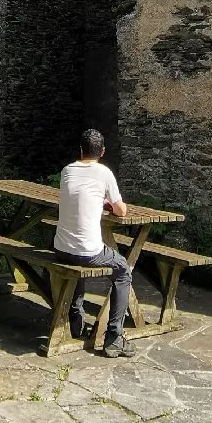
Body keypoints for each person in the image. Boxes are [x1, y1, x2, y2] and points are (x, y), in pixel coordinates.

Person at [53, 127, 134, 358]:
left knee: (76, 260)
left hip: (61, 249)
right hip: (89, 252)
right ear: (103, 152)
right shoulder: (104, 173)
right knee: (123, 271)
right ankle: (114, 337)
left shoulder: (67, 171)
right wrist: (106, 202)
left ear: (80, 150)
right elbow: (121, 210)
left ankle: (76, 320)